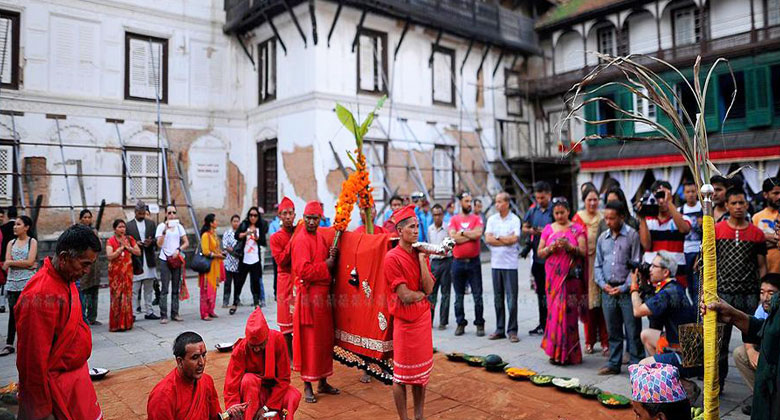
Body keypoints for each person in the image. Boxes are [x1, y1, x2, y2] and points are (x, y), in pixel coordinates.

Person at [16, 224, 103, 420]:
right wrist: (41, 411)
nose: (87, 271)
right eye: (84, 264)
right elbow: (32, 364)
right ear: (64, 258)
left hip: (76, 381)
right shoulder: (38, 296)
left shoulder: (67, 280)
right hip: (57, 388)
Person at [384, 205, 436, 420]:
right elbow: (405, 295)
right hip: (405, 322)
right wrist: (421, 295)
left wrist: (423, 261)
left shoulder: (419, 253)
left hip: (422, 320)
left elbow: (429, 288)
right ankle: (404, 418)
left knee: (421, 376)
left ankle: (419, 416)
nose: (416, 231)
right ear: (399, 231)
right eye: (412, 227)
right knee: (402, 376)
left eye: (417, 227)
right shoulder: (392, 258)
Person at [715, 187, 767, 387]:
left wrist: (763, 293)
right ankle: (717, 386)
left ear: (747, 205)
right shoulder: (717, 230)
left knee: (753, 341)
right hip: (724, 293)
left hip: (750, 294)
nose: (738, 207)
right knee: (720, 343)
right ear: (726, 206)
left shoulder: (757, 234)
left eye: (741, 203)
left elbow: (762, 265)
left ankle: (756, 389)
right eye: (734, 203)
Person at [291, 201, 339, 403]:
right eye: (308, 218)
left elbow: (325, 262)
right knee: (309, 342)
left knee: (323, 341)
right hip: (309, 299)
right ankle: (308, 385)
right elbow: (303, 271)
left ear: (321, 219)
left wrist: (332, 257)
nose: (311, 222)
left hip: (322, 299)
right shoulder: (301, 239)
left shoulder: (320, 236)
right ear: (304, 217)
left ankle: (323, 381)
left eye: (315, 218)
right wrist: (327, 264)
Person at [147, 332, 248, 420]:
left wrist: (228, 415)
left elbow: (214, 417)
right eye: (195, 357)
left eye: (203, 355)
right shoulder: (163, 395)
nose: (202, 362)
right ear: (180, 361)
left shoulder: (207, 381)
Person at [224, 308, 301, 420]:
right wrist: (234, 407)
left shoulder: (278, 340)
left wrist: (266, 407)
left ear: (266, 338)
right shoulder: (241, 349)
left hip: (274, 391)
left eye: (260, 345)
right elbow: (232, 384)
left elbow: (284, 379)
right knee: (248, 379)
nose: (256, 349)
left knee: (291, 396)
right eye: (252, 346)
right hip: (251, 394)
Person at [594, 201, 643, 375]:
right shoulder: (602, 238)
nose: (608, 222)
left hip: (628, 292)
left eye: (612, 218)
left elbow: (636, 266)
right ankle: (614, 363)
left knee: (632, 330)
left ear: (622, 217)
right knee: (612, 330)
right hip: (608, 290)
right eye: (606, 218)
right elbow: (597, 265)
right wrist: (602, 284)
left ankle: (637, 365)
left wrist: (625, 287)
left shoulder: (632, 236)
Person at [537, 197, 587, 365]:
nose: (559, 216)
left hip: (570, 279)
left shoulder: (577, 229)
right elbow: (540, 253)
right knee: (554, 314)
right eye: (556, 213)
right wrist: (550, 248)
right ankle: (555, 353)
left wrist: (569, 247)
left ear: (568, 212)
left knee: (570, 315)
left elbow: (583, 252)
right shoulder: (548, 229)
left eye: (562, 212)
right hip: (553, 280)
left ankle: (570, 355)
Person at [630, 252, 696, 371]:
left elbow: (638, 311)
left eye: (654, 267)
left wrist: (634, 286)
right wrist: (644, 283)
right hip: (683, 345)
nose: (650, 269)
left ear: (666, 272)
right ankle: (667, 375)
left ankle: (683, 384)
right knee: (646, 335)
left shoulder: (667, 293)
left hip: (684, 353)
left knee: (643, 365)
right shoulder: (672, 286)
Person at [733, 274, 780, 415]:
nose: (765, 297)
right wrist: (751, 351)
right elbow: (755, 328)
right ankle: (761, 397)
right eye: (762, 292)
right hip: (763, 350)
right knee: (740, 353)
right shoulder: (761, 309)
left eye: (771, 293)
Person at [573, 186, 609, 356]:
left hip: (601, 263)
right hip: (584, 265)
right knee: (588, 304)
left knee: (603, 304)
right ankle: (589, 341)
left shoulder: (604, 217)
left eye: (596, 199)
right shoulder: (578, 218)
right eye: (590, 200)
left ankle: (605, 341)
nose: (593, 203)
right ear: (584, 201)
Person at [638, 180, 692, 287]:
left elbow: (684, 229)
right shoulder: (648, 220)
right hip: (652, 277)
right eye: (659, 196)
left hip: (677, 277)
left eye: (665, 195)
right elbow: (646, 245)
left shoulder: (682, 218)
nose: (662, 200)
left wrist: (669, 203)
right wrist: (642, 217)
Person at [484, 192, 521, 342]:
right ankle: (500, 329)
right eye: (496, 202)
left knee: (512, 299)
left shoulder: (514, 219)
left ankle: (512, 330)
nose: (497, 204)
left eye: (499, 202)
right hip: (496, 264)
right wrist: (503, 239)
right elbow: (488, 239)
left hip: (510, 265)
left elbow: (514, 239)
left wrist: (497, 238)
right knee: (498, 298)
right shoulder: (492, 219)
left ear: (507, 203)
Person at [449, 191, 485, 337]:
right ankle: (460, 323)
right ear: (460, 203)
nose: (469, 204)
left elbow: (478, 235)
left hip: (473, 263)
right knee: (458, 297)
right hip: (457, 263)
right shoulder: (454, 219)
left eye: (470, 201)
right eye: (466, 201)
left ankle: (479, 323)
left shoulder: (477, 218)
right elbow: (453, 238)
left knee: (477, 295)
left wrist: (461, 234)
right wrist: (468, 235)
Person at [0, 216, 37, 357]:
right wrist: (24, 263)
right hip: (12, 283)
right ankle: (10, 344)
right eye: (15, 224)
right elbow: (6, 263)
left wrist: (13, 263)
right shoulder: (11, 242)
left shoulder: (32, 242)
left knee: (29, 314)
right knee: (13, 314)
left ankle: (29, 342)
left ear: (26, 227)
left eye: (18, 224)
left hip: (28, 283)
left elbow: (30, 261)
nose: (15, 227)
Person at [523, 181, 553, 336]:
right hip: (537, 259)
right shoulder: (533, 210)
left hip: (552, 260)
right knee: (540, 293)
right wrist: (532, 231)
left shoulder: (555, 210)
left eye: (542, 197)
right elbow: (524, 228)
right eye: (538, 198)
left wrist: (547, 232)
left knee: (552, 294)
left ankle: (553, 323)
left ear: (549, 194)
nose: (540, 200)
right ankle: (542, 323)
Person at [269, 197, 296, 354]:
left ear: (295, 215)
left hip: (298, 279)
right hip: (285, 280)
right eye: (284, 213)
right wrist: (293, 240)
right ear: (279, 216)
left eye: (290, 213)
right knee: (286, 321)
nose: (288, 217)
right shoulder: (275, 237)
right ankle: (290, 356)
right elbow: (281, 260)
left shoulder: (299, 232)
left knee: (299, 319)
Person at [126, 201, 160, 321]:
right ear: (135, 213)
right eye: (139, 213)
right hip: (136, 261)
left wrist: (151, 242)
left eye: (143, 213)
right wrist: (136, 243)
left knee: (149, 288)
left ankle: (149, 311)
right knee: (135, 289)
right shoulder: (128, 226)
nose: (141, 215)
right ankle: (133, 313)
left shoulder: (151, 224)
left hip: (149, 258)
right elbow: (126, 241)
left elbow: (157, 240)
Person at [156, 204, 189, 324]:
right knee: (165, 288)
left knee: (176, 287)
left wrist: (179, 250)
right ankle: (163, 314)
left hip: (176, 258)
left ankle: (175, 313)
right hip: (164, 258)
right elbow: (159, 244)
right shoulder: (161, 226)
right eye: (169, 213)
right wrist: (165, 231)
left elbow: (186, 242)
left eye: (174, 212)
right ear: (165, 214)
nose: (172, 215)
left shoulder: (179, 227)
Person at [106, 219, 141, 332]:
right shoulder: (111, 241)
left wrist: (128, 248)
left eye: (123, 227)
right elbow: (109, 256)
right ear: (115, 229)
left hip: (127, 272)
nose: (122, 229)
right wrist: (120, 248)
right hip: (115, 274)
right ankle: (116, 324)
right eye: (120, 227)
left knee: (127, 297)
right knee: (116, 297)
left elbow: (138, 252)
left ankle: (126, 323)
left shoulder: (130, 239)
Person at [236, 206, 266, 309]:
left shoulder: (260, 227)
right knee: (240, 281)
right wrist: (246, 233)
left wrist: (256, 237)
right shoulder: (244, 225)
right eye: (251, 215)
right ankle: (235, 302)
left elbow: (263, 242)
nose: (253, 217)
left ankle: (256, 302)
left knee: (256, 281)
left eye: (255, 216)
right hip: (244, 258)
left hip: (255, 259)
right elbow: (237, 235)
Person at [428, 203, 452, 330]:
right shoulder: (430, 229)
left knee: (446, 293)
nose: (437, 217)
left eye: (439, 214)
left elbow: (452, 245)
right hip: (434, 262)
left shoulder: (447, 228)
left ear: (443, 215)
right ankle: (429, 320)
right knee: (431, 293)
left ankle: (443, 321)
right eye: (434, 215)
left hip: (446, 261)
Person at [77, 209, 102, 325]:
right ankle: (82, 317)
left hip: (94, 264)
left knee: (94, 290)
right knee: (83, 290)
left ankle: (92, 317)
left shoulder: (94, 231)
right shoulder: (78, 231)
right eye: (85, 217)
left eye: (89, 217)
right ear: (81, 218)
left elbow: (98, 246)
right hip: (82, 262)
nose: (87, 219)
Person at [680, 181, 703, 302]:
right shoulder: (681, 210)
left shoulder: (703, 207)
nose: (691, 194)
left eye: (693, 191)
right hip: (686, 251)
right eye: (688, 192)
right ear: (683, 194)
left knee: (698, 284)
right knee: (688, 282)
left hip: (699, 249)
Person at [199, 213, 225, 321]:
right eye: (215, 221)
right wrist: (217, 255)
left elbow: (216, 248)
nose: (217, 222)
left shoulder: (213, 234)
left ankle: (211, 310)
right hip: (208, 267)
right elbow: (205, 251)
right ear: (211, 223)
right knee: (206, 289)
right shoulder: (205, 235)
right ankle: (204, 313)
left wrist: (221, 253)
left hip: (215, 266)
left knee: (213, 289)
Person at [754, 177, 780, 274]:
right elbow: (755, 244)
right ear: (765, 194)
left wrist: (764, 236)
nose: (779, 197)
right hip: (766, 273)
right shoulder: (757, 217)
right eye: (776, 193)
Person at [223, 214, 241, 310]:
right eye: (234, 221)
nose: (236, 223)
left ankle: (237, 300)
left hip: (238, 263)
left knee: (238, 282)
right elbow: (226, 246)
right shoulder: (227, 233)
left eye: (237, 221)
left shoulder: (241, 234)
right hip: (229, 262)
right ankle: (225, 300)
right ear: (231, 222)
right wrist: (234, 252)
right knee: (228, 282)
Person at [0, 206, 16, 314]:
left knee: (2, 282)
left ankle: (2, 304)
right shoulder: (21, 227)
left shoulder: (3, 228)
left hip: (3, 257)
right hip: (16, 257)